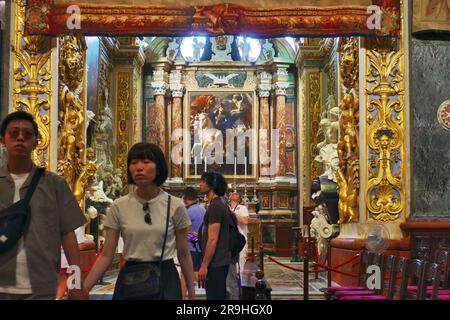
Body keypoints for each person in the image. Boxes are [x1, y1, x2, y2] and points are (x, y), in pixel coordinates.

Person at [83, 142, 195, 300]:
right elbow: (106, 255)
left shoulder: (175, 206)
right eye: (134, 163)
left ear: (158, 168)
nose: (139, 167)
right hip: (131, 278)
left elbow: (183, 253)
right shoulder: (119, 206)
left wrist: (191, 289)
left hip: (165, 277)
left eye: (146, 162)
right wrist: (84, 288)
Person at [0, 111, 87, 300]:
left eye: (27, 134)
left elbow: (68, 235)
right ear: (2, 140)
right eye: (14, 134)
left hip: (42, 285)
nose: (20, 138)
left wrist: (76, 282)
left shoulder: (54, 184)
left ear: (37, 142)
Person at [198, 171, 232, 300]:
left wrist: (204, 265)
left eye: (203, 181)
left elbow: (213, 240)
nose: (200, 184)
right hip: (219, 260)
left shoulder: (215, 206)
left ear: (212, 185)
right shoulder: (220, 204)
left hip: (216, 262)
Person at [180, 187, 205, 299]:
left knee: (185, 277)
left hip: (190, 249)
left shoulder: (188, 212)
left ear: (185, 198)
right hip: (200, 248)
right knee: (195, 274)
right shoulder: (203, 210)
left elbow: (184, 234)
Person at [225, 191, 249, 299]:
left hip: (240, 241)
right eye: (232, 193)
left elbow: (245, 221)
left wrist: (232, 213)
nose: (234, 194)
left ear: (239, 198)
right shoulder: (225, 207)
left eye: (236, 193)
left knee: (240, 268)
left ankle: (240, 294)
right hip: (228, 242)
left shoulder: (242, 208)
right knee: (230, 270)